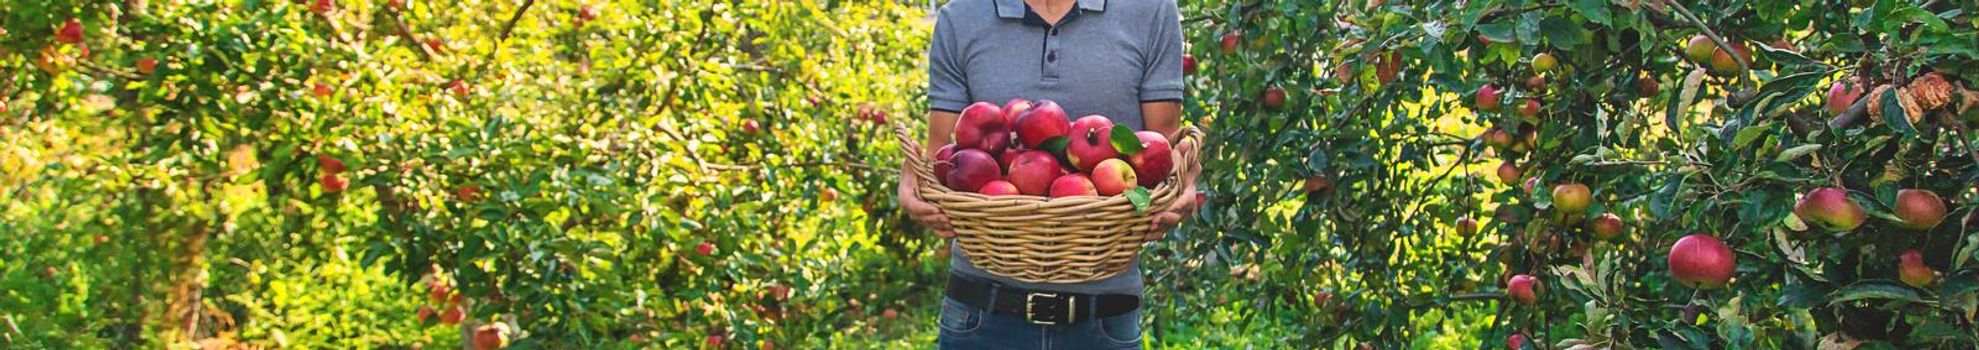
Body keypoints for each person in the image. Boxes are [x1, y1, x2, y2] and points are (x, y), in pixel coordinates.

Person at [897, 0, 1198, 348]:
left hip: (1103, 311)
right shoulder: (961, 16)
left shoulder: (1150, 10)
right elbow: (942, 155)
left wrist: (1187, 182)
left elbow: (1164, 151)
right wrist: (912, 178)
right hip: (982, 311)